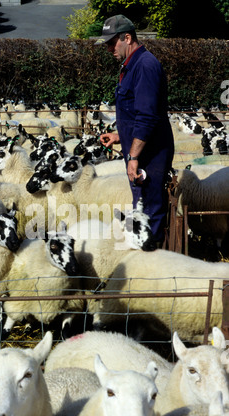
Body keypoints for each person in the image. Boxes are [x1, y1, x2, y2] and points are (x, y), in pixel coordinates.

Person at [95, 15, 174, 246]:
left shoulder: (145, 66)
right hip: (142, 151)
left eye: (112, 43)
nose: (109, 48)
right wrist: (121, 136)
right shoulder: (131, 66)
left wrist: (134, 157)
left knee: (149, 210)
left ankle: (153, 266)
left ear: (127, 38)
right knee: (141, 207)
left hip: (150, 155)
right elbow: (137, 113)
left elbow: (148, 116)